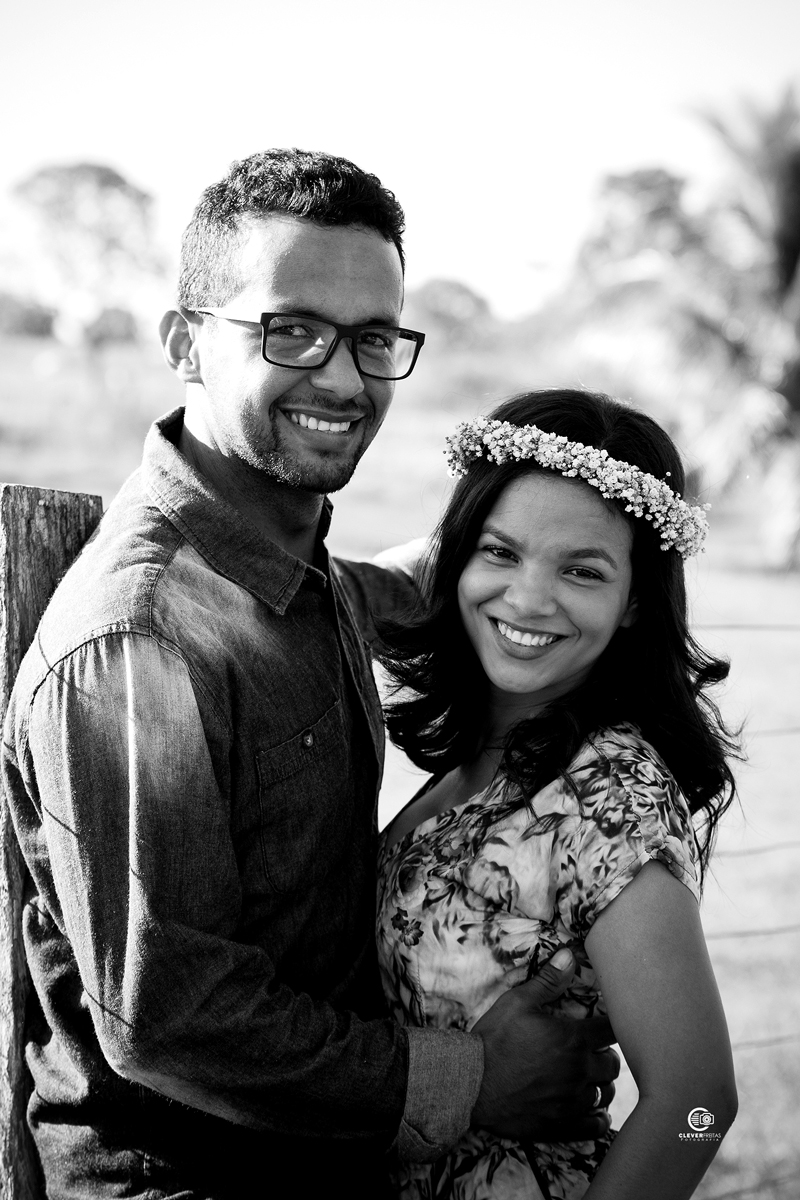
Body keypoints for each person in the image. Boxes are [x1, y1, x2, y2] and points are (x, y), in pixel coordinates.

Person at [1, 153, 619, 1200]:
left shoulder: (299, 574)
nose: (340, 378)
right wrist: (471, 1080)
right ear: (185, 342)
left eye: (372, 338)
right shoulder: (138, 638)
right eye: (290, 329)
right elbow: (170, 1014)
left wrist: (514, 535)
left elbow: (393, 588)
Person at [376, 388, 739, 1199]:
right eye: (500, 553)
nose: (529, 600)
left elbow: (703, 1104)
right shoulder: (487, 756)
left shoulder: (609, 795)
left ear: (635, 600)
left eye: (581, 570)